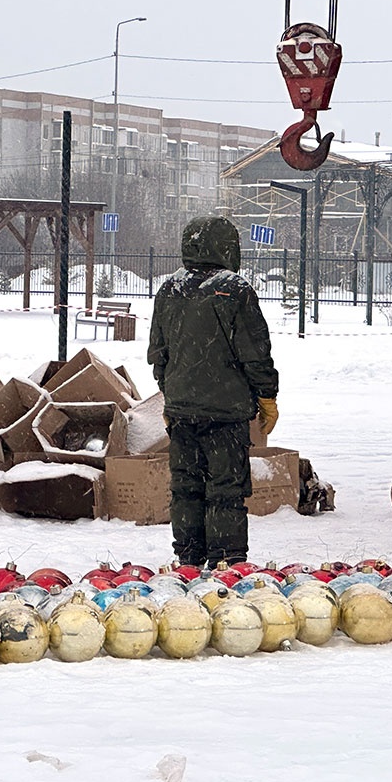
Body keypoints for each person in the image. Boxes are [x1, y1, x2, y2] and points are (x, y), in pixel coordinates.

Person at [148, 215, 278, 569]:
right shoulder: (235, 290)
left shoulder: (169, 289)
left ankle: (188, 559)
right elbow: (255, 351)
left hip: (181, 411)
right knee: (225, 489)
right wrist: (266, 396)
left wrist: (170, 393)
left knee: (186, 487)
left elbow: (158, 353)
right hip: (226, 413)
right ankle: (227, 560)